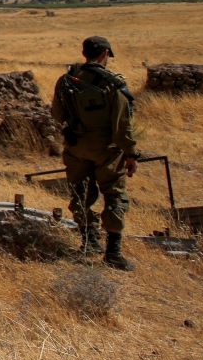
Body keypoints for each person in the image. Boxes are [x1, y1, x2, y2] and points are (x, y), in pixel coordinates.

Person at [51, 35, 140, 270]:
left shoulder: (67, 80)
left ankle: (89, 242)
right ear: (104, 55)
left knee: (80, 194)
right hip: (107, 151)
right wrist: (131, 153)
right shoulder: (114, 84)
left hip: (76, 148)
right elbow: (122, 125)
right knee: (114, 196)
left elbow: (57, 114)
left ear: (85, 54)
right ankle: (113, 252)